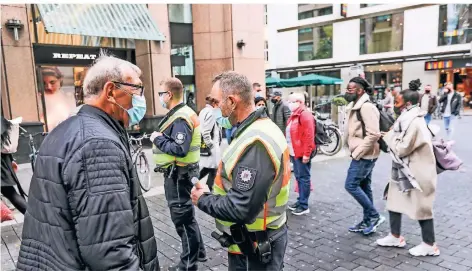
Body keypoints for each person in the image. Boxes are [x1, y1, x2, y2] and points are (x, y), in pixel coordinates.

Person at [17, 53, 159, 270]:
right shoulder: (98, 145)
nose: (141, 98)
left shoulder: (66, 131)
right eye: (137, 90)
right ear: (111, 91)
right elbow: (110, 253)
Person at [191, 71, 290, 271]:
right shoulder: (253, 129)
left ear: (232, 101)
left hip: (256, 245)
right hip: (253, 240)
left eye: (216, 102)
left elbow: (241, 208)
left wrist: (203, 199)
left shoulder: (256, 141)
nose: (214, 107)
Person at [377, 79, 440, 257]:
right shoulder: (408, 119)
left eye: (397, 102)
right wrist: (390, 135)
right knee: (393, 200)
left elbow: (402, 147)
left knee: (422, 207)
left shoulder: (414, 122)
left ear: (408, 103)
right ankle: (395, 236)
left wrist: (388, 137)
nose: (394, 105)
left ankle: (430, 245)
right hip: (405, 169)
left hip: (418, 172)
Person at [151, 78, 206, 271]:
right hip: (181, 172)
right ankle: (199, 252)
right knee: (187, 217)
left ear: (169, 94)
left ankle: (188, 264)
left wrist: (157, 139)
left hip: (178, 174)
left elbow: (179, 148)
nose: (159, 97)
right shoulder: (181, 113)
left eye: (160, 93)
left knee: (183, 220)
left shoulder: (181, 117)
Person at [343, 77, 385, 236]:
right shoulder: (355, 105)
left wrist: (357, 152)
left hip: (365, 155)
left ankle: (374, 216)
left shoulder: (366, 107)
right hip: (365, 154)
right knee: (364, 186)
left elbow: (373, 134)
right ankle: (368, 219)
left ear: (360, 90)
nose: (347, 91)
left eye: (350, 89)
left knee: (351, 185)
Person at [286, 93, 315, 216]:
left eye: (291, 101)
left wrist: (306, 154)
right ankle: (300, 200)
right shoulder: (295, 115)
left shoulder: (304, 114)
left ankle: (304, 205)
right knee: (299, 177)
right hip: (294, 151)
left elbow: (309, 136)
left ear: (299, 102)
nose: (289, 103)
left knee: (304, 178)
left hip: (301, 152)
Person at [1, 115, 27, 214]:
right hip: (4, 160)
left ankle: (35, 219)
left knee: (11, 193)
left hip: (2, 163)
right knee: (11, 193)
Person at [198, 95, 222, 192]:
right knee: (214, 168)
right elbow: (206, 131)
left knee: (210, 168)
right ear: (214, 103)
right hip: (211, 147)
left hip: (207, 145)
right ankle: (209, 187)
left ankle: (193, 182)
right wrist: (211, 145)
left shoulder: (203, 111)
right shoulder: (211, 113)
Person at [40, 67, 76, 131]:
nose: (48, 87)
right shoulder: (39, 98)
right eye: (44, 83)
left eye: (52, 82)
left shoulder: (68, 97)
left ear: (60, 80)